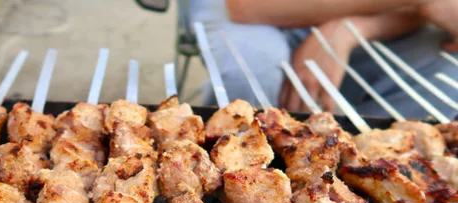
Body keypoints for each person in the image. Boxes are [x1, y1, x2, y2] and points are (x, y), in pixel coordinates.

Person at [190, 0, 458, 119]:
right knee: (251, 70)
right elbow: (246, 6)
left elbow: (423, 9)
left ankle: (354, 173)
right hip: (249, 11)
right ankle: (233, 181)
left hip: (364, 13)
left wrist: (347, 30)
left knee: (451, 72)